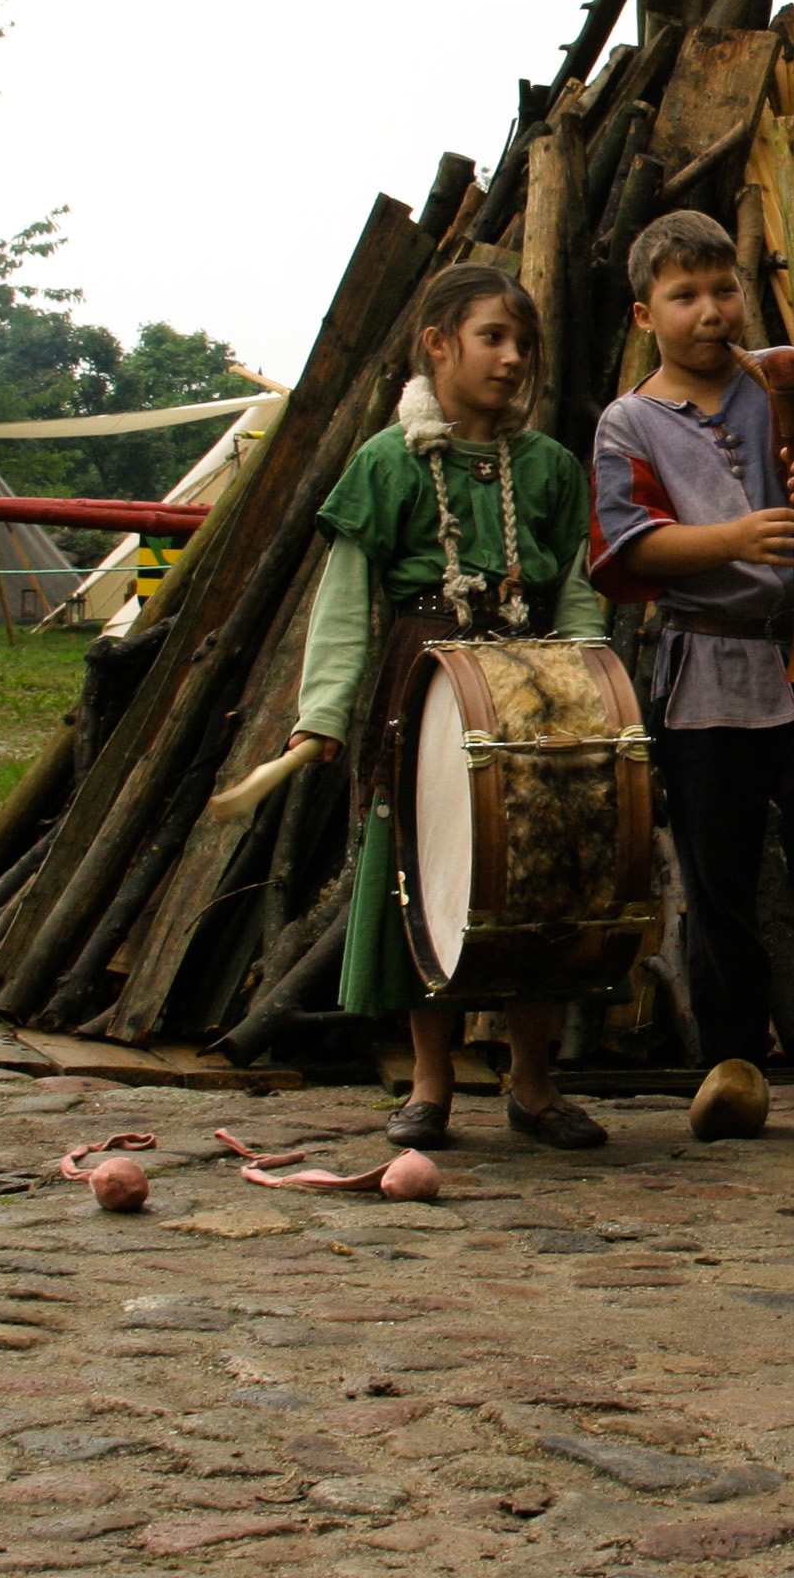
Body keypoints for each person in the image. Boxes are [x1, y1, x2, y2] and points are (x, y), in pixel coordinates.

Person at [588, 209, 794, 1140]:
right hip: (707, 672)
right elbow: (627, 544)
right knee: (719, 877)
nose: (710, 311)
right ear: (644, 314)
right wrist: (733, 538)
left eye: (722, 288)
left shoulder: (790, 372)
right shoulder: (630, 423)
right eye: (684, 296)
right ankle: (732, 1057)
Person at [289, 263, 614, 1151]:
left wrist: (590, 682)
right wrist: (323, 713)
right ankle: (431, 1083)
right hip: (422, 692)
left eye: (524, 345)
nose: (513, 359)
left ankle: (534, 1086)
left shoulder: (548, 469)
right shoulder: (387, 462)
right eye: (492, 338)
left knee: (540, 879)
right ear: (437, 345)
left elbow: (575, 587)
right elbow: (345, 602)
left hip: (535, 691)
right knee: (423, 876)